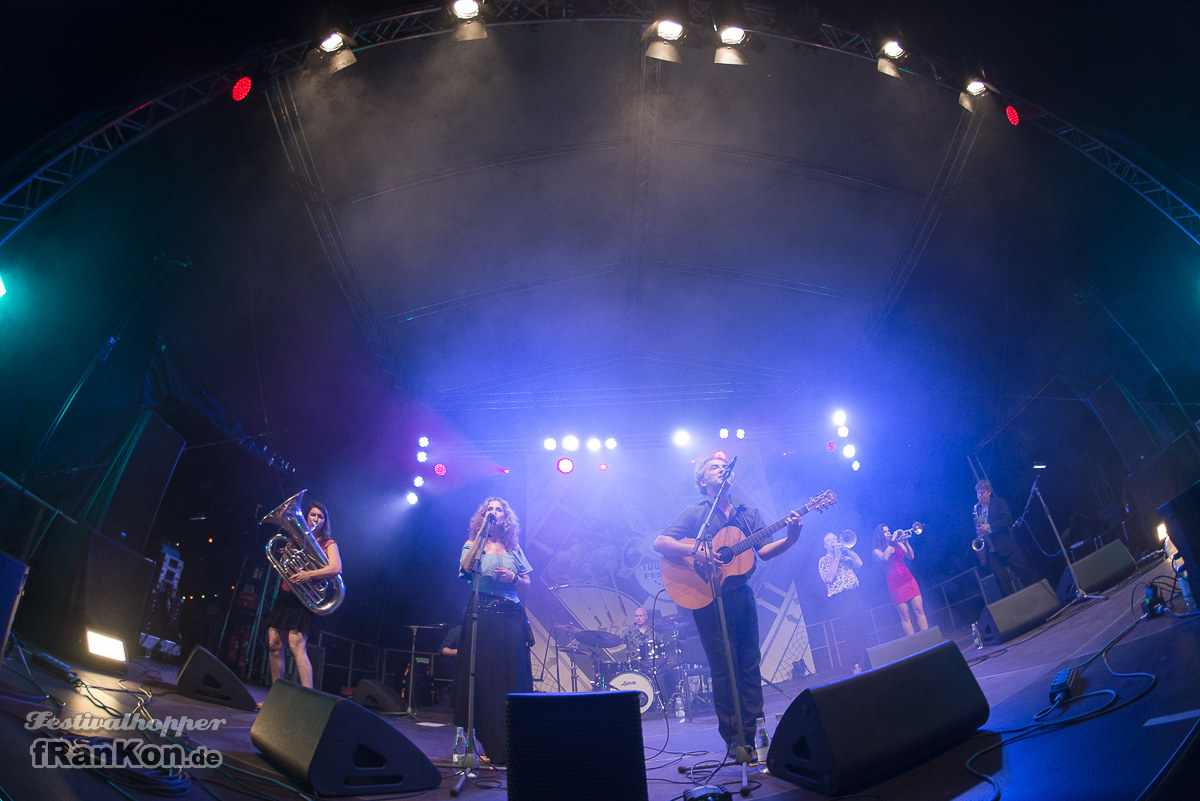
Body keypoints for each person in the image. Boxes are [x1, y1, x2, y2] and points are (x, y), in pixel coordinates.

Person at [654, 455, 802, 762]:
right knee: (724, 671)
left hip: (740, 596)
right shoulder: (697, 513)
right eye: (714, 468)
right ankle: (736, 742)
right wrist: (696, 549)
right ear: (703, 481)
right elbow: (661, 543)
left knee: (749, 664)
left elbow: (763, 552)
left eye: (724, 467)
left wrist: (791, 538)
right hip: (707, 599)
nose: (721, 470)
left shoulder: (748, 513)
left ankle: (758, 734)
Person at [455, 497, 533, 766]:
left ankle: (514, 741)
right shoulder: (472, 544)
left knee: (510, 676)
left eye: (499, 510)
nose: (494, 513)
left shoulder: (513, 548)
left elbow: (527, 583)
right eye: (490, 509)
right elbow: (466, 568)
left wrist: (513, 578)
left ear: (506, 517)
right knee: (484, 678)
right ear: (483, 515)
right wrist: (480, 535)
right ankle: (486, 742)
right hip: (481, 614)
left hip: (510, 616)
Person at [266, 498, 341, 689]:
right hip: (286, 595)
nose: (316, 519)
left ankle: (309, 696)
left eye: (320, 516)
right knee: (274, 644)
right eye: (313, 515)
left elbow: (336, 568)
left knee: (296, 645)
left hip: (304, 599)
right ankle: (276, 696)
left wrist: (309, 574)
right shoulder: (295, 538)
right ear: (306, 517)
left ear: (325, 521)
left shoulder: (328, 543)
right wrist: (287, 557)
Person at [973, 479, 1038, 596]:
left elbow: (1007, 519)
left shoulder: (998, 502)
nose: (980, 496)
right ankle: (1013, 609)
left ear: (989, 492)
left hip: (1006, 545)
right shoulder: (977, 511)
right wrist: (980, 533)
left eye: (982, 493)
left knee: (1025, 572)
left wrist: (988, 527)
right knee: (1002, 581)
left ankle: (1041, 596)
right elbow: (980, 530)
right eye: (978, 493)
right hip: (991, 551)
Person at [819, 531, 866, 673]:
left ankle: (866, 659)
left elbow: (859, 564)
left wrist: (848, 549)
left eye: (835, 539)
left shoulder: (846, 556)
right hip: (841, 598)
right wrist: (837, 558)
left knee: (862, 626)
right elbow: (828, 579)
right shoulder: (823, 560)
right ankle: (856, 665)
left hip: (855, 594)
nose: (834, 542)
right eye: (830, 541)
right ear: (825, 546)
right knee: (851, 630)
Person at [871, 524, 928, 636]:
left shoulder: (897, 544)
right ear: (880, 535)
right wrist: (892, 541)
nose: (888, 533)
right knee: (905, 615)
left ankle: (927, 637)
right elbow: (885, 557)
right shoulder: (876, 550)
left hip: (908, 579)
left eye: (889, 531)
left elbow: (910, 556)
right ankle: (915, 642)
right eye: (885, 532)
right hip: (895, 585)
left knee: (919, 609)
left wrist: (905, 542)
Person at [621, 607, 666, 675]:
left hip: (651, 666)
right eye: (636, 616)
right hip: (635, 667)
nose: (638, 618)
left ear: (646, 617)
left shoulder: (653, 632)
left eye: (641, 616)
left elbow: (660, 649)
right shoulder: (627, 632)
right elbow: (617, 640)